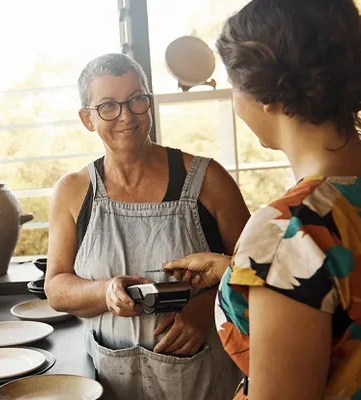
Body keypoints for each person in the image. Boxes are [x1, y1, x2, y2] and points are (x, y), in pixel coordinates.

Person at [162, 1, 361, 399]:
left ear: (267, 94)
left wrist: (268, 260)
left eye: (234, 85)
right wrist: (236, 271)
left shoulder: (287, 231)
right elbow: (359, 297)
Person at [44, 52, 248, 399]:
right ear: (87, 118)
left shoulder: (208, 180)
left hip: (204, 379)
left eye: (136, 100)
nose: (126, 116)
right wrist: (105, 291)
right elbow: (56, 287)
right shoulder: (73, 191)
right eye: (108, 106)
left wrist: (206, 309)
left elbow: (254, 274)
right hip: (112, 380)